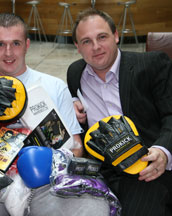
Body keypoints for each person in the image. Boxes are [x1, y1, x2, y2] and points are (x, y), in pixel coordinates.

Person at [0, 13, 110, 216]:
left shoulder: (54, 86)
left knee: (93, 208)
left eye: (15, 43)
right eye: (0, 44)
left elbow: (77, 146)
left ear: (26, 45)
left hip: (44, 185)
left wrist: (51, 160)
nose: (8, 52)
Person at [67, 8, 172, 216]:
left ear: (116, 36)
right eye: (86, 41)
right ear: (78, 47)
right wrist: (71, 103)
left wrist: (163, 151)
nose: (96, 47)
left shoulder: (151, 65)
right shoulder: (75, 73)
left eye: (102, 37)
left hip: (145, 167)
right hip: (99, 171)